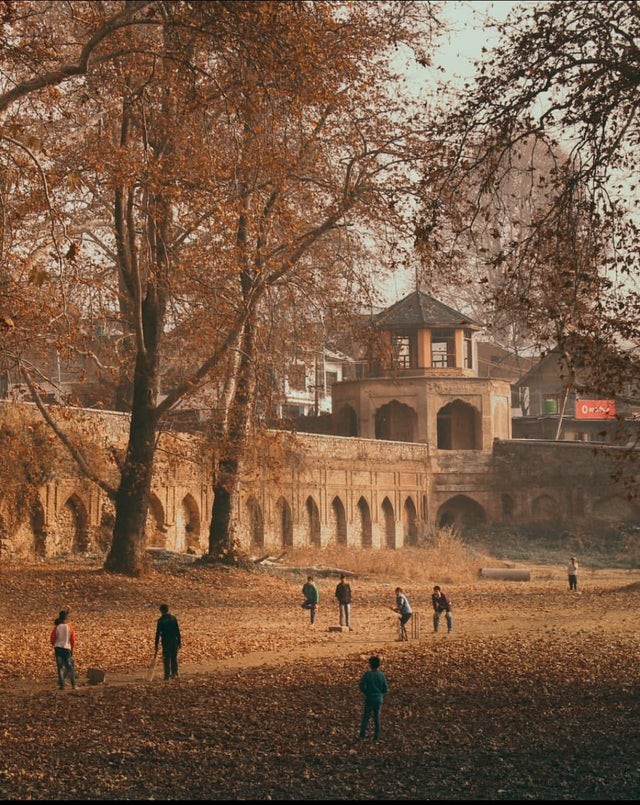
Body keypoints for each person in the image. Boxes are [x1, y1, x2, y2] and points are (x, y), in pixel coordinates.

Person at [358, 655, 389, 741]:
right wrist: (381, 694)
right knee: (377, 717)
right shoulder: (381, 675)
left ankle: (362, 735)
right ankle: (376, 736)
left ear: (370, 665)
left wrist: (366, 692)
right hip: (379, 698)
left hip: (369, 697)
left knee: (366, 717)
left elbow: (362, 686)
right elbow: (385, 689)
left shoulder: (367, 675)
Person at [50, 609, 77, 690]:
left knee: (60, 667)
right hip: (66, 648)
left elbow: (52, 639)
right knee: (69, 667)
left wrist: (55, 644)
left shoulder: (57, 627)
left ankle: (62, 686)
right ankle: (74, 685)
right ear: (66, 618)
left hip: (58, 648)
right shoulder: (70, 627)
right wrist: (72, 649)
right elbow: (73, 640)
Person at [155, 603, 181, 680]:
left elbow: (158, 633)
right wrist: (179, 641)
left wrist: (156, 644)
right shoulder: (173, 618)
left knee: (166, 658)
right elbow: (177, 631)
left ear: (161, 611)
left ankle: (167, 675)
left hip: (165, 641)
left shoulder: (161, 621)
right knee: (174, 657)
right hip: (174, 640)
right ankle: (174, 673)